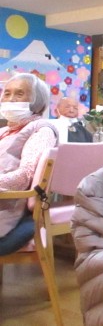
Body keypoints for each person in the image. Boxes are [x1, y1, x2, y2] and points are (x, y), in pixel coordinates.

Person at [0, 73, 58, 255]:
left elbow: (25, 175)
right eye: (7, 93)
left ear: (37, 101)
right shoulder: (5, 131)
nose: (10, 99)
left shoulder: (42, 130)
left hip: (10, 216)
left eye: (19, 94)